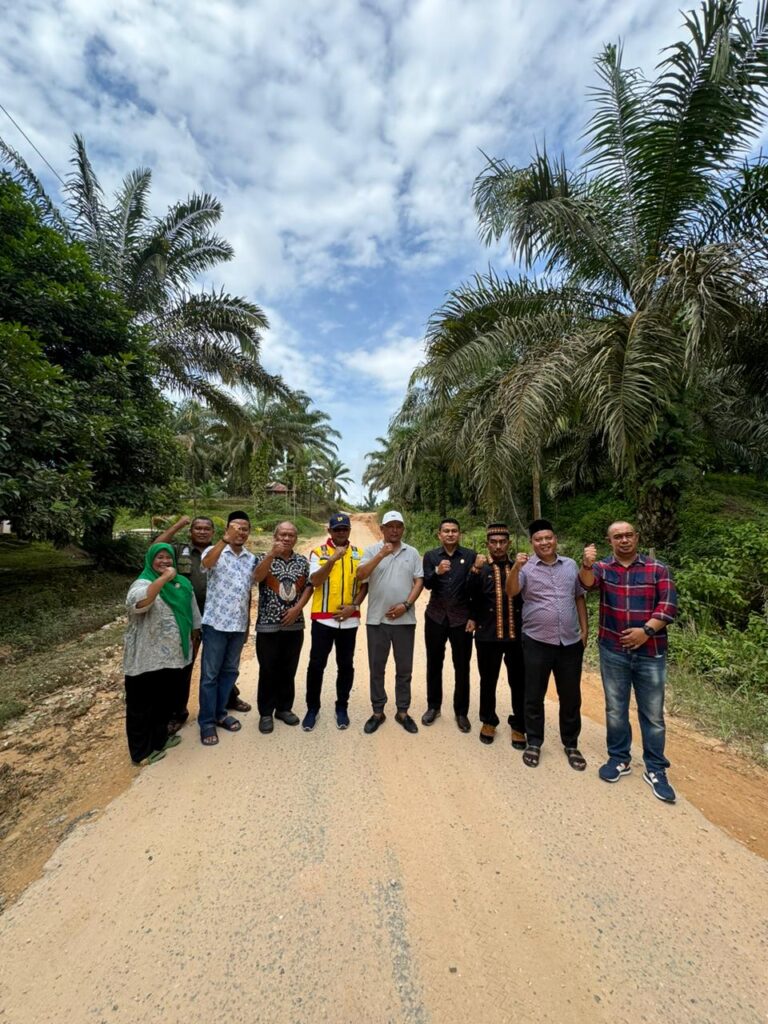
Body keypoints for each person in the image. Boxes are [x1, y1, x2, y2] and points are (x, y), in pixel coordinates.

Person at [580, 521, 678, 803]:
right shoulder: (602, 568)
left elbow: (668, 606)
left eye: (628, 535)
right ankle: (619, 758)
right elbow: (587, 584)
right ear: (609, 541)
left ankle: (656, 768)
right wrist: (586, 564)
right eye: (617, 536)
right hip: (613, 649)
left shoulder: (657, 569)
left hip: (652, 651)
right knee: (615, 708)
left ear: (636, 537)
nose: (623, 540)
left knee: (653, 714)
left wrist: (645, 631)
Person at [155, 514, 251, 732]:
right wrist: (179, 524)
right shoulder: (182, 550)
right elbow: (158, 547)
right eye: (197, 528)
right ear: (191, 531)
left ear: (213, 532)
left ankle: (226, 701)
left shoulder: (225, 550)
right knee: (187, 665)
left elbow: (244, 589)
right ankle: (178, 712)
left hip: (221, 617)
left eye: (206, 529)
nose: (201, 532)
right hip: (189, 617)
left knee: (224, 666)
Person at [506, 519, 588, 770]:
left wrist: (584, 631)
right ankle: (534, 741)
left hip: (570, 642)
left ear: (555, 540)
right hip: (537, 640)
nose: (544, 543)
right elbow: (511, 592)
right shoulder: (526, 567)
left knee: (571, 695)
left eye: (548, 538)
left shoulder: (571, 565)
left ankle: (571, 743)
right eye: (538, 540)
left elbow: (578, 597)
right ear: (532, 543)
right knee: (534, 694)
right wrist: (516, 568)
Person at [123, 543, 200, 765]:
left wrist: (194, 637)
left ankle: (159, 740)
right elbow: (140, 604)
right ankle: (141, 753)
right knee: (141, 706)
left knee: (164, 702)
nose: (165, 561)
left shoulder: (183, 583)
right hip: (145, 657)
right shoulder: (143, 582)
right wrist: (164, 579)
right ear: (150, 560)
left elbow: (193, 614)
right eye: (160, 558)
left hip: (173, 656)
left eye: (168, 558)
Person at [356, 510, 424, 734]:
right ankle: (378, 711)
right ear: (382, 529)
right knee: (377, 668)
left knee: (404, 669)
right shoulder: (371, 550)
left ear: (402, 529)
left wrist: (406, 605)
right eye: (390, 526)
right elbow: (360, 575)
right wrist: (380, 556)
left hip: (405, 620)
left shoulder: (411, 552)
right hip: (377, 620)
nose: (394, 530)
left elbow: (419, 581)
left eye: (398, 526)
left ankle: (402, 711)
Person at [302, 512, 368, 732]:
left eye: (344, 529)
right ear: (329, 531)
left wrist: (354, 607)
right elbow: (315, 581)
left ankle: (342, 706)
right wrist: (332, 560)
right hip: (323, 620)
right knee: (316, 665)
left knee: (345, 665)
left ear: (349, 530)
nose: (341, 532)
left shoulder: (359, 554)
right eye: (336, 529)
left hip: (348, 621)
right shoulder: (318, 552)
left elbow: (364, 585)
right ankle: (312, 708)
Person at [198, 511, 256, 746]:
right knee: (210, 675)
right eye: (235, 528)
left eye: (244, 529)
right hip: (215, 623)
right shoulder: (213, 552)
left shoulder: (250, 558)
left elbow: (248, 593)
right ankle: (207, 722)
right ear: (227, 529)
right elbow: (206, 564)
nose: (239, 532)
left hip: (238, 624)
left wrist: (248, 623)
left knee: (230, 672)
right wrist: (224, 540)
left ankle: (221, 713)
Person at [467, 523, 526, 747]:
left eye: (502, 542)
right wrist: (473, 570)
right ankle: (488, 720)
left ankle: (519, 725)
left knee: (519, 682)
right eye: (494, 542)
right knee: (488, 680)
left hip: (516, 637)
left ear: (508, 543)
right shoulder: (479, 568)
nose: (498, 546)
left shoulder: (519, 567)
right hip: (487, 636)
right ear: (487, 544)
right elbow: (469, 595)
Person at [253, 521, 313, 734]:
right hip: (267, 625)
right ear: (275, 537)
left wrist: (297, 608)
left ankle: (284, 708)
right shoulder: (262, 557)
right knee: (268, 669)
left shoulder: (302, 561)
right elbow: (257, 578)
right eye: (282, 535)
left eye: (291, 535)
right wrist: (271, 555)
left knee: (289, 669)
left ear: (296, 539)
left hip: (294, 625)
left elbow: (309, 586)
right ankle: (266, 713)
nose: (286, 539)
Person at [421, 518, 480, 732]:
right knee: (434, 663)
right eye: (446, 531)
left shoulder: (470, 556)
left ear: (459, 534)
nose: (450, 534)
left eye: (454, 531)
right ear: (439, 534)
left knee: (462, 666)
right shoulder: (431, 556)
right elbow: (426, 584)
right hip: (436, 616)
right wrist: (437, 572)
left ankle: (461, 712)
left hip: (461, 619)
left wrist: (474, 617)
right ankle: (433, 706)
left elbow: (475, 591)